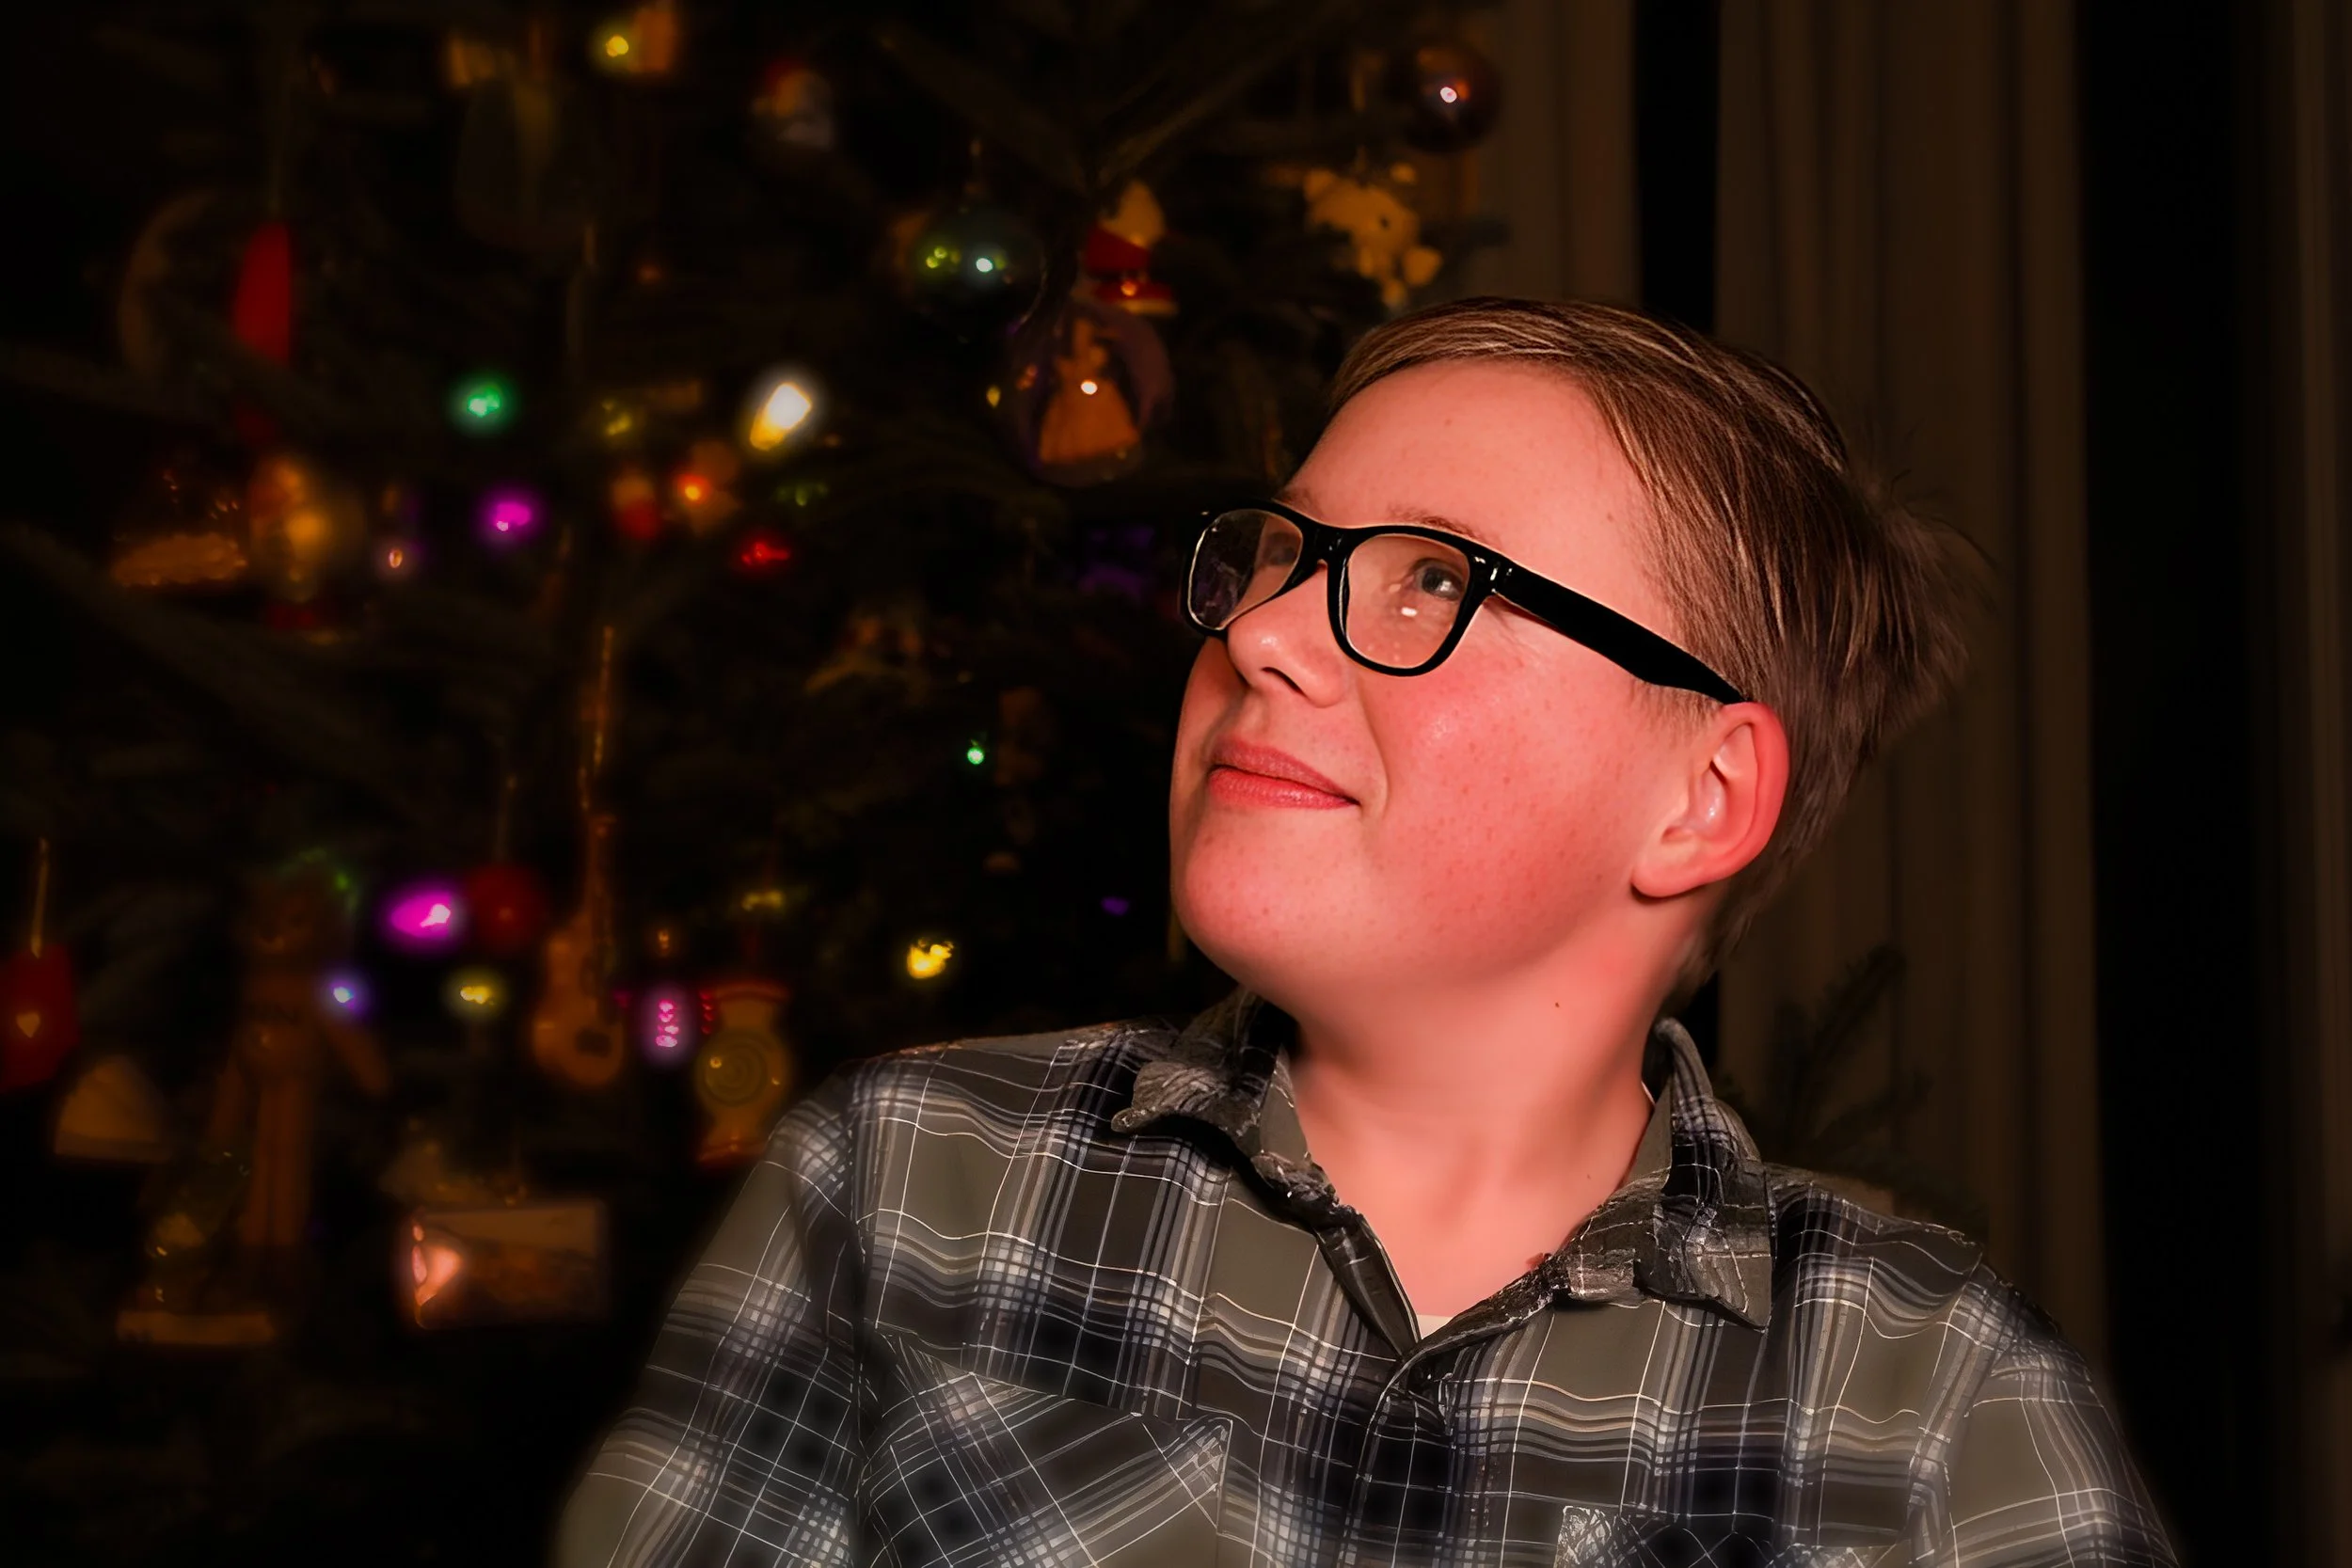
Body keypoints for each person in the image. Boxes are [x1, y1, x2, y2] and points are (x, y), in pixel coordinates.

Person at [555, 298, 2175, 1567]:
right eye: (1282, 556)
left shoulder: (1934, 1399)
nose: (1258, 632)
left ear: (1701, 795)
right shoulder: (907, 1182)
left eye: (1430, 583)